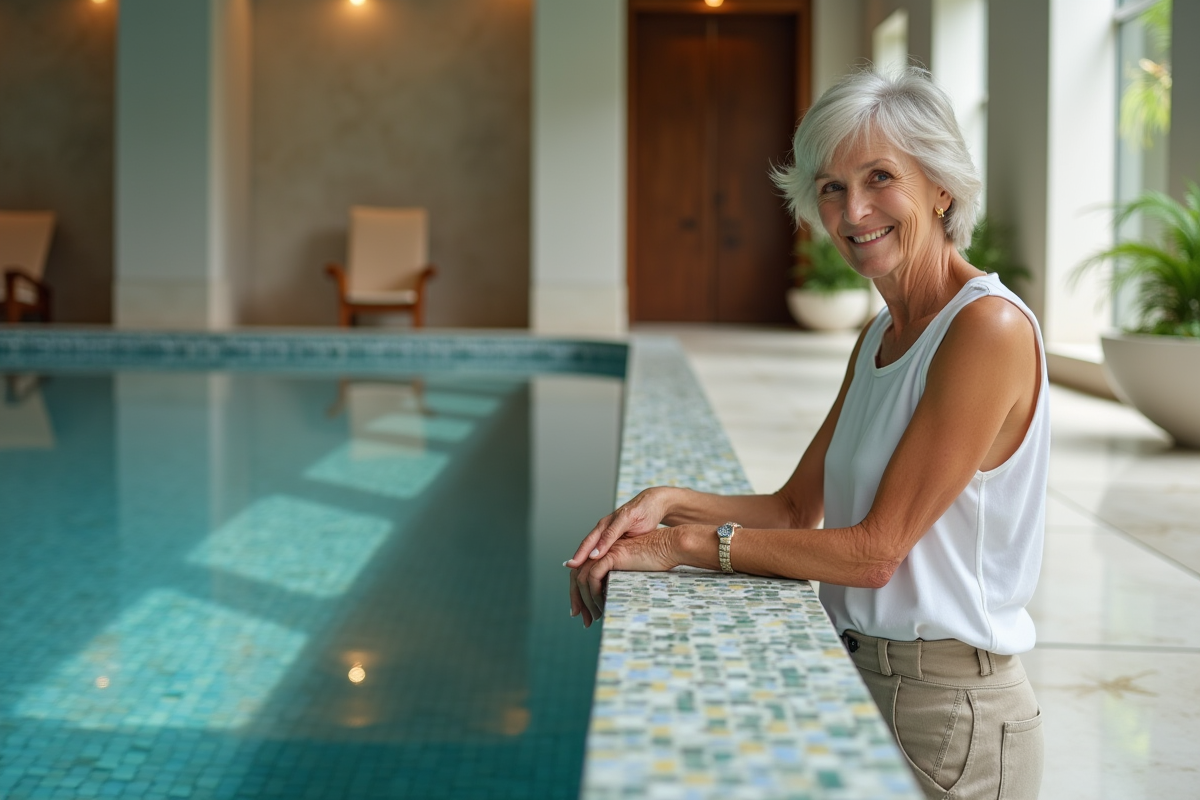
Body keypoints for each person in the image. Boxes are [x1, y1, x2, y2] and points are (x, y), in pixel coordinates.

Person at [565, 67, 1047, 800]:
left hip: (948, 717)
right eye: (830, 187)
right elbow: (794, 511)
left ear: (941, 187)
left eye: (880, 177)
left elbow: (875, 553)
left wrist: (684, 545)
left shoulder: (987, 329)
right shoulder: (881, 335)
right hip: (858, 677)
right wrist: (665, 503)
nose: (854, 211)